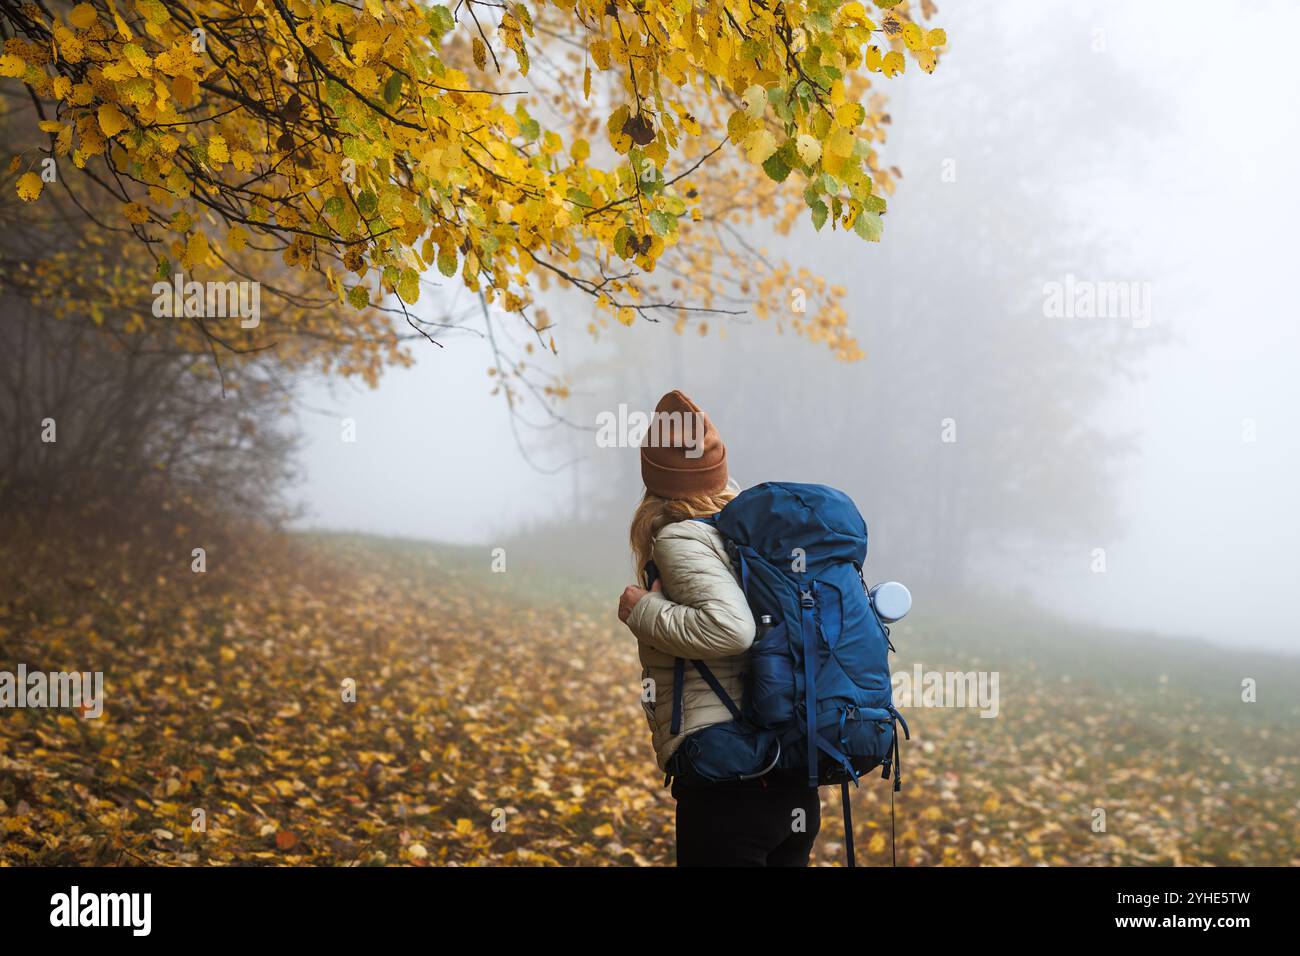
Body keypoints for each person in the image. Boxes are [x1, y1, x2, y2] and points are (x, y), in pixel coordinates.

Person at [617, 389, 821, 866]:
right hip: (788, 782)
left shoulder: (680, 537)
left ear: (654, 479)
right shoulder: (751, 537)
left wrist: (641, 610)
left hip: (730, 784)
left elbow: (731, 629)